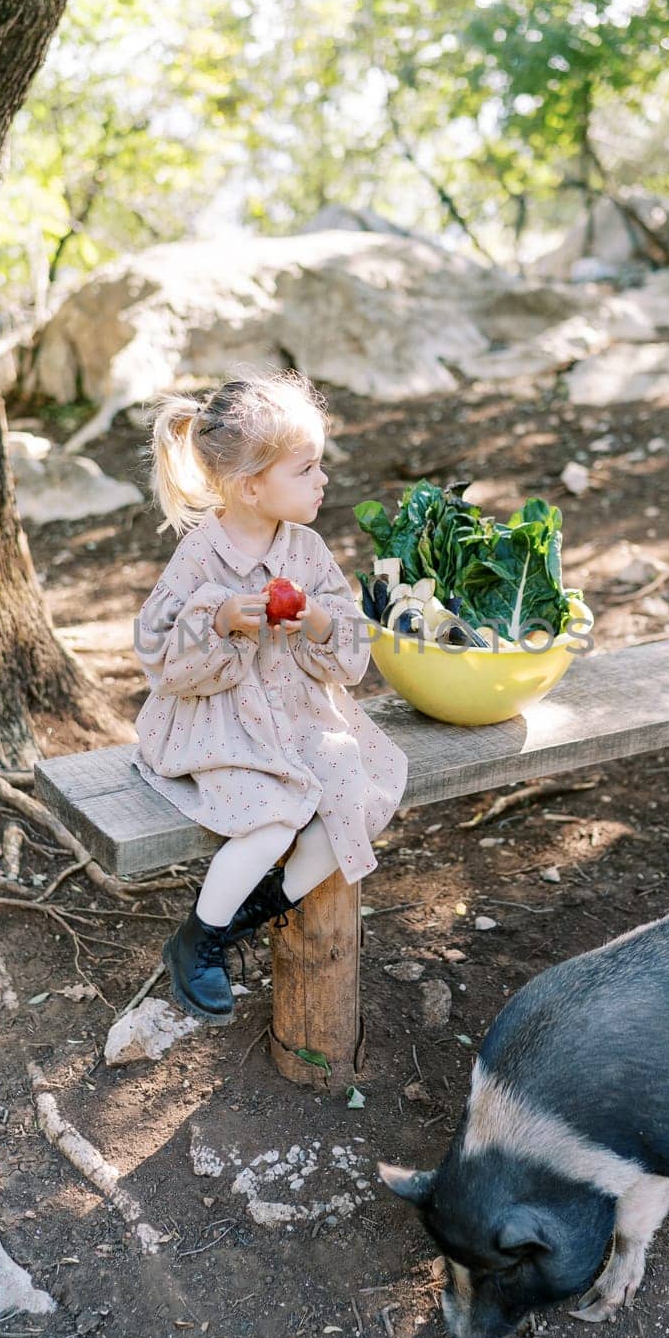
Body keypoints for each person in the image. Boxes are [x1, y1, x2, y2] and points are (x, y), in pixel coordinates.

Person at [131, 367, 409, 1023]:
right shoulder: (200, 556)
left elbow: (348, 656)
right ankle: (196, 943)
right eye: (306, 469)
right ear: (252, 485)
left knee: (349, 796)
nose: (323, 481)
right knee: (275, 814)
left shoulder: (306, 550)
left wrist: (315, 620)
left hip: (301, 714)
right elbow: (158, 656)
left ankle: (239, 920)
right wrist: (217, 619)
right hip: (221, 721)